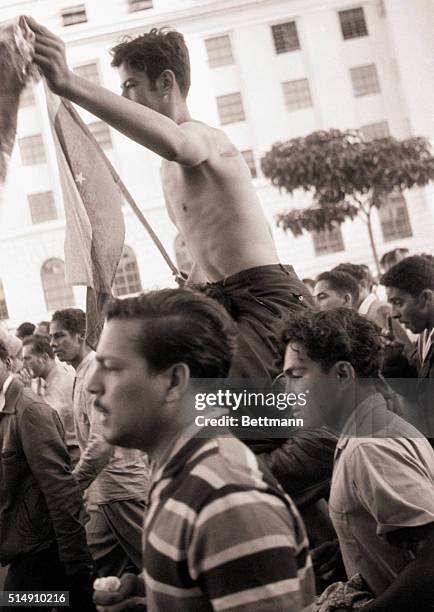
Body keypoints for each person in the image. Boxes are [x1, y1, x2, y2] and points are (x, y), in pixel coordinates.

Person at [27, 18, 312, 381]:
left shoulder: (203, 138)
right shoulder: (168, 169)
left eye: (130, 86)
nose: (126, 98)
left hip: (263, 299)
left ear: (166, 82)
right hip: (223, 302)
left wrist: (68, 83)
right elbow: (209, 249)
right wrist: (193, 287)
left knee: (269, 420)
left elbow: (179, 144)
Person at [90, 289, 316, 611]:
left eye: (111, 367)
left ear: (174, 381)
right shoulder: (181, 469)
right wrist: (148, 595)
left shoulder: (226, 499)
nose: (92, 384)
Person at [282, 307, 434, 609]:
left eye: (297, 376)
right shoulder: (373, 429)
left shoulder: (369, 447)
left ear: (342, 374)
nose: (287, 392)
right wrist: (351, 545)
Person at [50, 308, 150, 577]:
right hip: (104, 493)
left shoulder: (95, 371)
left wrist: (75, 483)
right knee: (99, 568)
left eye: (59, 336)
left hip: (121, 489)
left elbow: (102, 440)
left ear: (80, 336)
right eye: (51, 338)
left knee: (161, 566)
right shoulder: (81, 373)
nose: (52, 344)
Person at [0, 340, 95, 610]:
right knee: (69, 601)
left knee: (15, 604)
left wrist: (75, 558)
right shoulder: (7, 408)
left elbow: (60, 488)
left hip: (40, 547)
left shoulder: (28, 411)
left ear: (7, 363)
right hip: (27, 544)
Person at [22, 335, 79, 464]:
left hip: (72, 454)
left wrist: (27, 393)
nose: (24, 365)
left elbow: (44, 424)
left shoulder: (59, 382)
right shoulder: (50, 377)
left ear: (44, 358)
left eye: (27, 359)